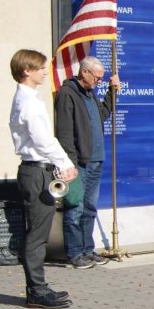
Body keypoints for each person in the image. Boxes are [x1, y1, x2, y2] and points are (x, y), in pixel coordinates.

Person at [9, 50, 78, 309]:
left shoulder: (26, 98)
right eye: (40, 68)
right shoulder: (28, 101)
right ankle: (36, 291)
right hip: (36, 171)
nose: (44, 71)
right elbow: (42, 140)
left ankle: (38, 287)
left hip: (37, 169)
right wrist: (64, 162)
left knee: (39, 232)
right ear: (26, 70)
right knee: (37, 234)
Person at [54, 55, 120, 268]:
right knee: (75, 207)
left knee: (90, 207)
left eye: (101, 79)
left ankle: (87, 249)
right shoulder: (68, 94)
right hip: (79, 163)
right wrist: (69, 163)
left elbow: (102, 115)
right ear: (84, 72)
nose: (98, 81)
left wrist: (111, 91)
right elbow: (64, 132)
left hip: (96, 160)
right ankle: (74, 253)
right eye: (97, 78)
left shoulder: (91, 94)